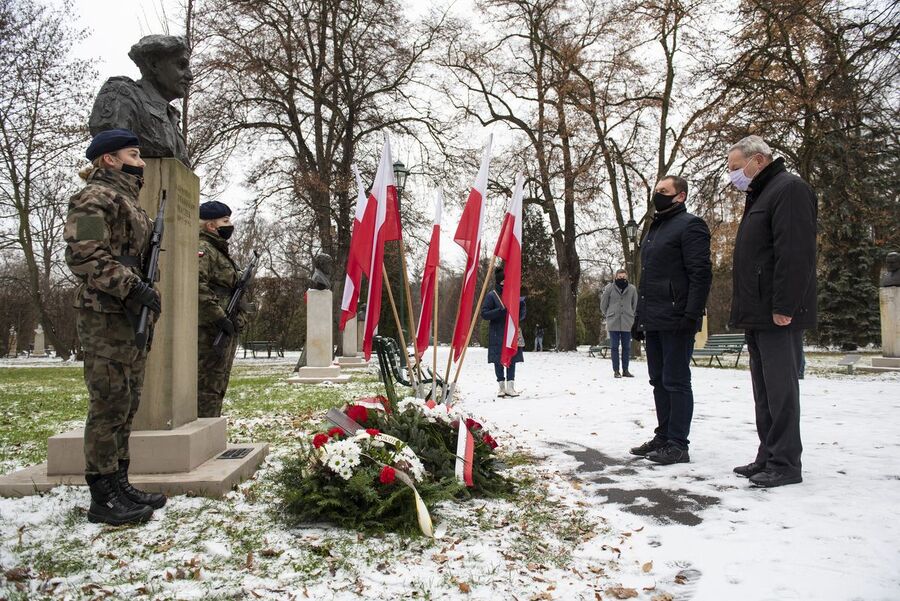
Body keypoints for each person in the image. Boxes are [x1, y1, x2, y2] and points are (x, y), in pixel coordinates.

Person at [65, 129, 167, 525]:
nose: (141, 162)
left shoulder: (128, 201)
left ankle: (119, 480)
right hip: (105, 314)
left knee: (127, 402)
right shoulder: (93, 198)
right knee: (108, 403)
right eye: (134, 154)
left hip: (127, 314)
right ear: (109, 159)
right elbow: (84, 255)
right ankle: (101, 493)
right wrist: (133, 287)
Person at [727, 135, 817, 488]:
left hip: (777, 312)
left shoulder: (789, 190)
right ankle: (768, 454)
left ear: (758, 161)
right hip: (757, 311)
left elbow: (795, 254)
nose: (733, 175)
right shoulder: (761, 194)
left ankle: (785, 462)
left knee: (781, 390)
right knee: (764, 391)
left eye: (737, 168)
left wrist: (785, 305)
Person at [629, 175, 712, 465]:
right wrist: (639, 317)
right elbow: (648, 278)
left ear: (681, 196)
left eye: (664, 191)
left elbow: (700, 274)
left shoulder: (691, 225)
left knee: (676, 381)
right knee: (658, 381)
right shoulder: (654, 229)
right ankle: (663, 435)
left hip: (678, 318)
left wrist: (692, 314)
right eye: (656, 190)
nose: (657, 195)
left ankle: (678, 443)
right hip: (654, 318)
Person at [89, 35, 193, 165]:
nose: (190, 76)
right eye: (181, 65)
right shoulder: (121, 95)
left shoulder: (172, 115)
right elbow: (111, 149)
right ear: (153, 64)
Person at [197, 201, 254, 418]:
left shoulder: (219, 250)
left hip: (223, 326)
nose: (230, 225)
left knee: (218, 382)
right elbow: (198, 286)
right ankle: (205, 425)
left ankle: (211, 425)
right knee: (208, 384)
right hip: (210, 329)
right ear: (211, 226)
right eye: (225, 221)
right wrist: (220, 317)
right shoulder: (204, 249)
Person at [481, 265, 526, 398]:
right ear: (499, 281)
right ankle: (501, 387)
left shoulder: (514, 294)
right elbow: (484, 313)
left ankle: (511, 387)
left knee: (512, 358)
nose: (505, 284)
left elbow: (522, 314)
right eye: (503, 282)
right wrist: (499, 312)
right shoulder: (492, 295)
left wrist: (520, 310)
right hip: (497, 333)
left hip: (511, 332)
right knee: (498, 360)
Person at [601, 269, 638, 378]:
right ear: (616, 277)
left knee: (626, 347)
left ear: (626, 277)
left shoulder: (632, 289)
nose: (622, 278)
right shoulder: (609, 288)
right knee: (614, 347)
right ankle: (616, 370)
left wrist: (631, 315)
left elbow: (635, 305)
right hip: (613, 321)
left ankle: (625, 370)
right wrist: (608, 314)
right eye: (619, 276)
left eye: (623, 276)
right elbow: (603, 304)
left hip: (627, 322)